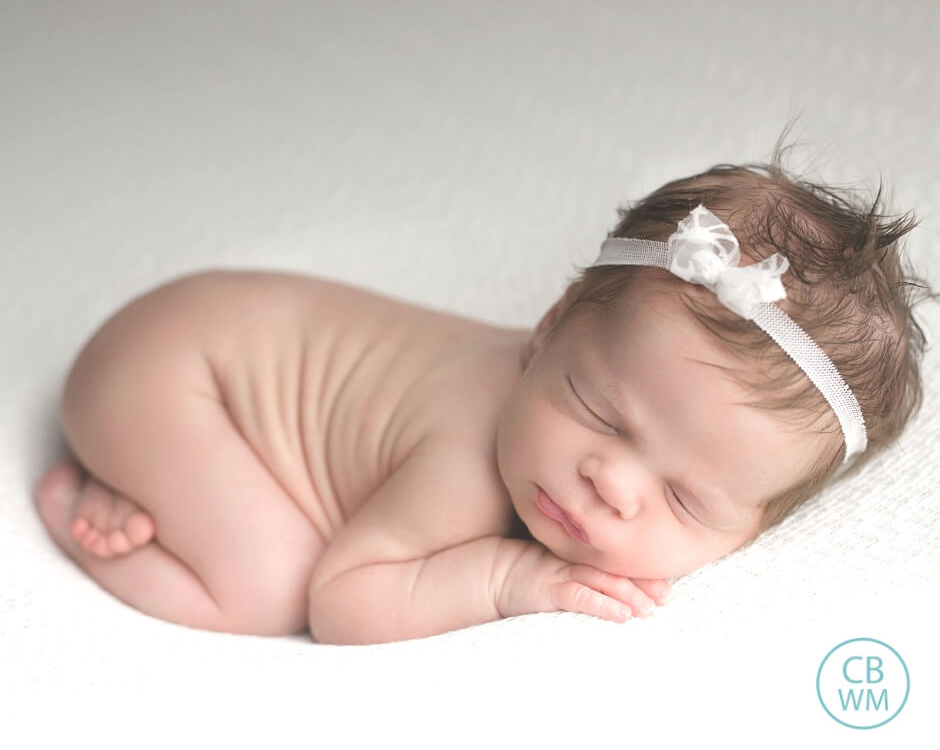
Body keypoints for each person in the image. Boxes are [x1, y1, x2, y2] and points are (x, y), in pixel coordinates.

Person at [34, 151, 927, 644]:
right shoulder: (467, 459)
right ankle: (92, 498)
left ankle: (161, 482)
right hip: (168, 374)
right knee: (270, 585)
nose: (610, 484)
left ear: (757, 529)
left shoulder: (573, 383)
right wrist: (507, 577)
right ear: (548, 329)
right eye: (597, 410)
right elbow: (342, 602)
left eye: (686, 500)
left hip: (206, 333)